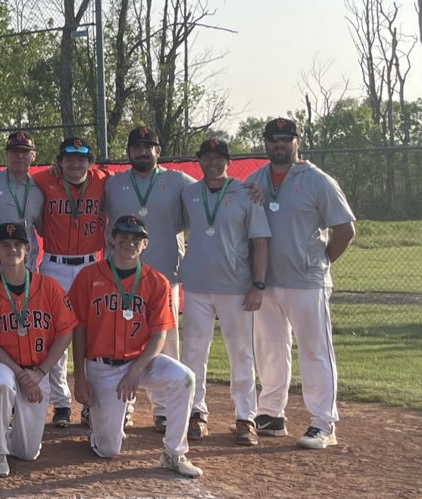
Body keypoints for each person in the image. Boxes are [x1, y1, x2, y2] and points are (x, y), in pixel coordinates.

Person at [247, 118, 355, 449]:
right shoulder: (254, 181)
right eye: (273, 139)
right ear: (264, 143)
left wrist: (319, 262)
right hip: (266, 281)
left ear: (298, 141)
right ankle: (270, 414)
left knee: (314, 350)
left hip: (307, 282)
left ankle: (323, 423)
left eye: (285, 138)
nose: (279, 144)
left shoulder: (317, 180)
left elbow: (345, 230)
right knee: (270, 348)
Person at [69, 215, 203, 478]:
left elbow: (159, 336)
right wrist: (80, 376)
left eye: (135, 239)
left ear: (145, 244)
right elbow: (79, 329)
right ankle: (98, 429)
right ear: (112, 241)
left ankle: (174, 452)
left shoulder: (157, 281)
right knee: (108, 450)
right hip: (102, 366)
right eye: (123, 237)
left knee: (185, 378)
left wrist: (135, 372)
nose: (129, 243)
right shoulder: (88, 277)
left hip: (141, 362)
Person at [176, 138, 271, 444]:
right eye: (207, 158)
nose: (213, 163)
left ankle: (246, 417)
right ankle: (195, 413)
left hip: (236, 287)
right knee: (193, 351)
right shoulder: (189, 193)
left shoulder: (246, 193)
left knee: (241, 353)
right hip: (197, 286)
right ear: (199, 161)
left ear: (228, 162)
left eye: (220, 158)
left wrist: (258, 285)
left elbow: (259, 241)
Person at [103, 127, 196, 431]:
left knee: (166, 343)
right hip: (121, 278)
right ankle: (122, 406)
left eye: (149, 146)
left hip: (163, 276)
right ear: (128, 152)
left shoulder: (179, 181)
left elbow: (212, 193)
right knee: (119, 342)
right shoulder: (113, 184)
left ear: (159, 150)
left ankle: (165, 410)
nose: (143, 152)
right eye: (137, 147)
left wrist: (243, 189)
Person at [0, 222, 76, 477]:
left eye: (17, 244)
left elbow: (65, 334)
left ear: (28, 249)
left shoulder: (49, 287)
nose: (12, 250)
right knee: (0, 385)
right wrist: (21, 374)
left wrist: (40, 373)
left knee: (28, 452)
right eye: (5, 245)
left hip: (37, 370)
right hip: (4, 365)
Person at [31, 137, 109, 427]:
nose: (75, 164)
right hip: (55, 264)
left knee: (92, 336)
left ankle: (90, 402)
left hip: (91, 264)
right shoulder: (42, 181)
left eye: (82, 159)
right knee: (55, 334)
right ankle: (61, 403)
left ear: (90, 162)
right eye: (69, 159)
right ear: (59, 162)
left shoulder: (103, 181)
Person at [0, 131, 44, 280]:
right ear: (6, 155)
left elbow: (44, 229)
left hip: (26, 272)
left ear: (33, 155)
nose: (19, 156)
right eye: (14, 152)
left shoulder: (40, 189)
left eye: (25, 152)